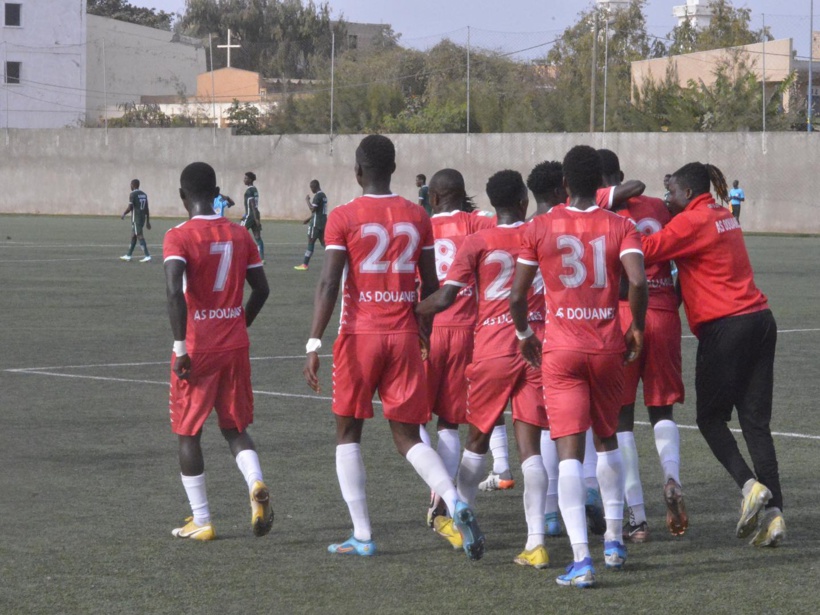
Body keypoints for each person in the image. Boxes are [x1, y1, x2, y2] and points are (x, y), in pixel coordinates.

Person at [302, 135, 484, 560]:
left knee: (348, 433)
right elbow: (431, 285)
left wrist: (313, 341)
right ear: (394, 168)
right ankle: (453, 500)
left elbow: (329, 283)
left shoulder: (343, 216)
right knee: (408, 435)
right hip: (403, 335)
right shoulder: (417, 215)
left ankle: (363, 534)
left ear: (357, 171)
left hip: (359, 336)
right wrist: (422, 330)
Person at [510, 145, 647, 588]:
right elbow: (638, 280)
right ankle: (614, 540)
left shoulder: (540, 225)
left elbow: (517, 295)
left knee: (569, 451)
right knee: (607, 440)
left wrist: (524, 334)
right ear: (602, 184)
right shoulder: (620, 224)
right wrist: (637, 327)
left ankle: (581, 560)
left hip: (562, 350)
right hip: (607, 348)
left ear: (565, 184)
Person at [642, 162, 785, 548]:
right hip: (760, 320)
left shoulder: (691, 222)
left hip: (726, 327)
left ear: (688, 193)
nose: (668, 199)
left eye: (672, 192)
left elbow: (646, 249)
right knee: (755, 424)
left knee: (709, 419)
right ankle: (774, 514)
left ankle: (750, 486)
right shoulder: (722, 215)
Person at [417, 170, 550, 570]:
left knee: (474, 439)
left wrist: (413, 312)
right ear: (524, 202)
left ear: (492, 204)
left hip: (491, 346)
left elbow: (445, 297)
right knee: (531, 446)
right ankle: (537, 542)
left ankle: (461, 510)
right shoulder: (539, 233)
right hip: (536, 345)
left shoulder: (477, 240)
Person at [163, 161, 272, 541]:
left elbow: (174, 292)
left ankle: (202, 519)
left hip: (198, 347)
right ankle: (255, 482)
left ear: (183, 196)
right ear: (216, 193)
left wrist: (180, 347)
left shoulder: (178, 236)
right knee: (235, 428)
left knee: (188, 433)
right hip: (234, 344)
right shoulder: (240, 234)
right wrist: (239, 323)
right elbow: (262, 289)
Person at [597, 149, 687, 544]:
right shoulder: (656, 207)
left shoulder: (600, 213)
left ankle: (636, 518)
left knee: (621, 418)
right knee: (662, 410)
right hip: (663, 312)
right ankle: (671, 477)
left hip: (622, 316)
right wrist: (670, 299)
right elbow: (684, 260)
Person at [421, 168, 495, 530]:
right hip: (467, 332)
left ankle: (439, 488)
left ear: (433, 198)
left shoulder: (422, 226)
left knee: (410, 421)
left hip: (426, 329)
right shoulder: (477, 223)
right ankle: (441, 497)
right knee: (449, 420)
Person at [295, 180, 328, 271]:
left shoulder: (317, 196)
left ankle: (305, 264)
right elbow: (319, 212)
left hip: (315, 225)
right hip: (323, 223)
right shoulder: (324, 196)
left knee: (311, 241)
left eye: (311, 188)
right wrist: (308, 219)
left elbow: (312, 209)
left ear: (314, 187)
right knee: (324, 243)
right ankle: (335, 260)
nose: (311, 190)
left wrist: (307, 200)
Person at [120, 179, 152, 262]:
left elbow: (130, 207)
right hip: (142, 218)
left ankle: (147, 255)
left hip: (136, 218)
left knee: (139, 235)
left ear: (133, 185)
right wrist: (148, 221)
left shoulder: (132, 194)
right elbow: (147, 208)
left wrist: (124, 213)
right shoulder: (144, 194)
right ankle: (128, 255)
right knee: (133, 236)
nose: (130, 186)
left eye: (130, 185)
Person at [242, 172, 265, 262]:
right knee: (257, 237)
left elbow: (252, 205)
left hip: (251, 215)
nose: (244, 180)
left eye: (246, 178)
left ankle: (241, 255)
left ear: (250, 180)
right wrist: (257, 218)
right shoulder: (255, 189)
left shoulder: (249, 191)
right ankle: (261, 258)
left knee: (239, 233)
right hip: (255, 214)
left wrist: (255, 219)